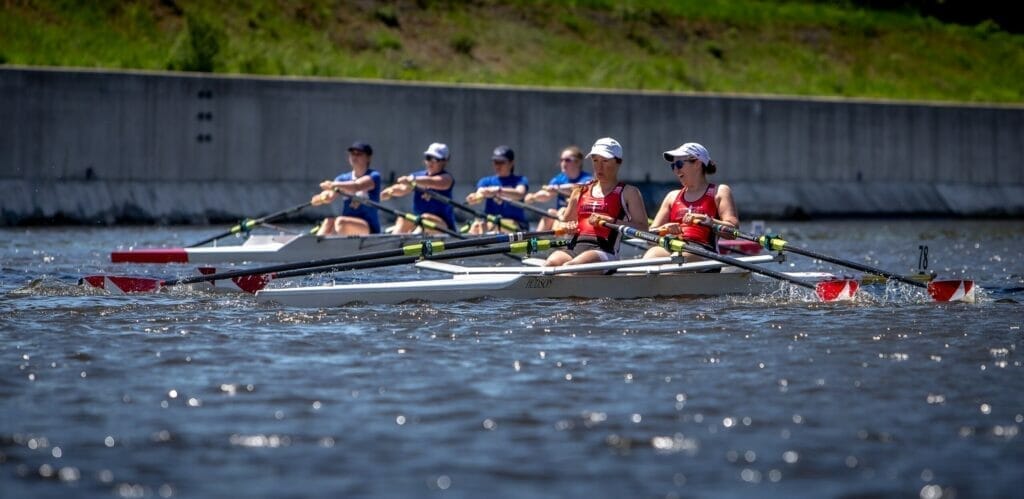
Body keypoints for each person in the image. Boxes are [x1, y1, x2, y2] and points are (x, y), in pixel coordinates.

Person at [545, 137, 648, 266]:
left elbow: (644, 229)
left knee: (571, 267)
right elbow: (565, 223)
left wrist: (612, 221)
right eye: (595, 160)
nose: (599, 167)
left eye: (605, 161)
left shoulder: (629, 193)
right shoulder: (579, 190)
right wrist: (567, 226)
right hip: (574, 247)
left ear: (618, 162)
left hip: (605, 251)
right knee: (549, 264)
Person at [644, 142, 738, 261]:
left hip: (704, 251)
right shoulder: (672, 196)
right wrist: (665, 229)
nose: (676, 170)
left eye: (679, 164)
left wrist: (707, 221)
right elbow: (649, 238)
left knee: (680, 258)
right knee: (650, 255)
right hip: (674, 247)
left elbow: (733, 231)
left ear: (697, 163)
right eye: (673, 166)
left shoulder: (719, 191)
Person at [380, 142, 457, 234]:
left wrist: (412, 180)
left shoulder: (447, 178)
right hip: (419, 221)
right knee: (403, 218)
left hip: (444, 227)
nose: (430, 162)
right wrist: (390, 191)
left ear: (445, 161)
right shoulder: (417, 177)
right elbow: (403, 188)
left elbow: (433, 182)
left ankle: (412, 238)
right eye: (428, 158)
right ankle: (394, 242)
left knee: (425, 218)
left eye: (435, 159)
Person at [310, 141, 382, 236]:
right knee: (328, 222)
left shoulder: (374, 176)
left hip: (369, 227)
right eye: (352, 154)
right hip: (346, 224)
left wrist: (333, 185)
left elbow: (357, 186)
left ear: (368, 158)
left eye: (359, 154)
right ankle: (315, 247)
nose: (354, 157)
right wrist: (322, 198)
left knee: (340, 221)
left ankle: (332, 245)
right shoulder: (342, 179)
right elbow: (330, 196)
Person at [524, 146, 592, 232]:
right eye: (561, 160)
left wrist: (557, 189)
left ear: (578, 162)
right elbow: (547, 194)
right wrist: (533, 197)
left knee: (562, 211)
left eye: (567, 160)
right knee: (550, 213)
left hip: (578, 217)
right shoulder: (558, 179)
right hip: (561, 216)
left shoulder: (587, 179)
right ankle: (535, 241)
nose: (563, 163)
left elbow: (577, 188)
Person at [465, 145, 529, 234]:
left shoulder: (520, 180)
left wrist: (498, 190)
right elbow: (479, 194)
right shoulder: (486, 181)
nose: (498, 166)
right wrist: (473, 198)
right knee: (476, 225)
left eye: (502, 162)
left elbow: (520, 193)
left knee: (492, 225)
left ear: (511, 163)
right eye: (495, 162)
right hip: (491, 222)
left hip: (515, 224)